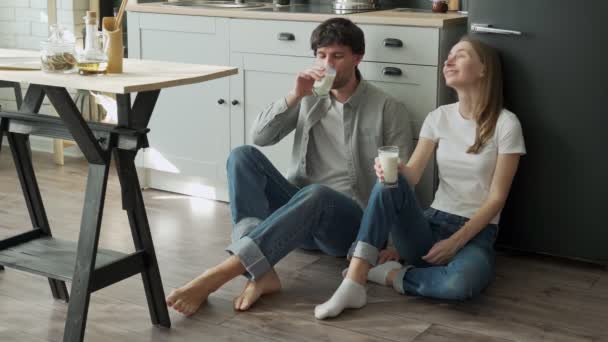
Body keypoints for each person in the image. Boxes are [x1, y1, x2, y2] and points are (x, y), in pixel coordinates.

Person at [166, 17, 414, 316]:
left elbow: (401, 182)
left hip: (348, 225)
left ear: (357, 58)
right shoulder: (309, 98)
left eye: (337, 55)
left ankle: (218, 275)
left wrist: (394, 242)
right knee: (242, 156)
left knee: (318, 194)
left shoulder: (388, 108)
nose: (328, 63)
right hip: (298, 215)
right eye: (321, 55)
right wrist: (295, 94)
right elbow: (260, 137)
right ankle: (261, 272)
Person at [315, 36, 526, 320]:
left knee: (459, 284)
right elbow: (411, 175)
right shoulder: (438, 117)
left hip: (476, 232)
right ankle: (354, 280)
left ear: (484, 69)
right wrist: (394, 171)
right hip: (430, 224)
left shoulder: (506, 124)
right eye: (448, 56)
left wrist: (456, 242)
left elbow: (497, 198)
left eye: (460, 55)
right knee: (390, 180)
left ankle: (391, 276)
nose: (448, 61)